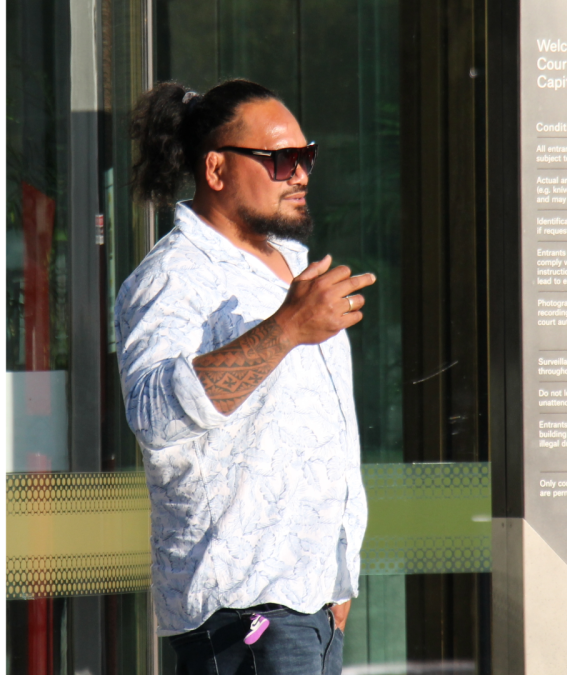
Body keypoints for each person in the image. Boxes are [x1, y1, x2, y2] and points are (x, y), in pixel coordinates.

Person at [115, 79, 375, 675]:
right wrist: (284, 329)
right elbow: (153, 416)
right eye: (282, 159)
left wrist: (338, 577)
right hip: (244, 613)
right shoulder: (174, 276)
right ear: (216, 168)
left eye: (306, 157)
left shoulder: (292, 267)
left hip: (309, 608)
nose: (300, 174)